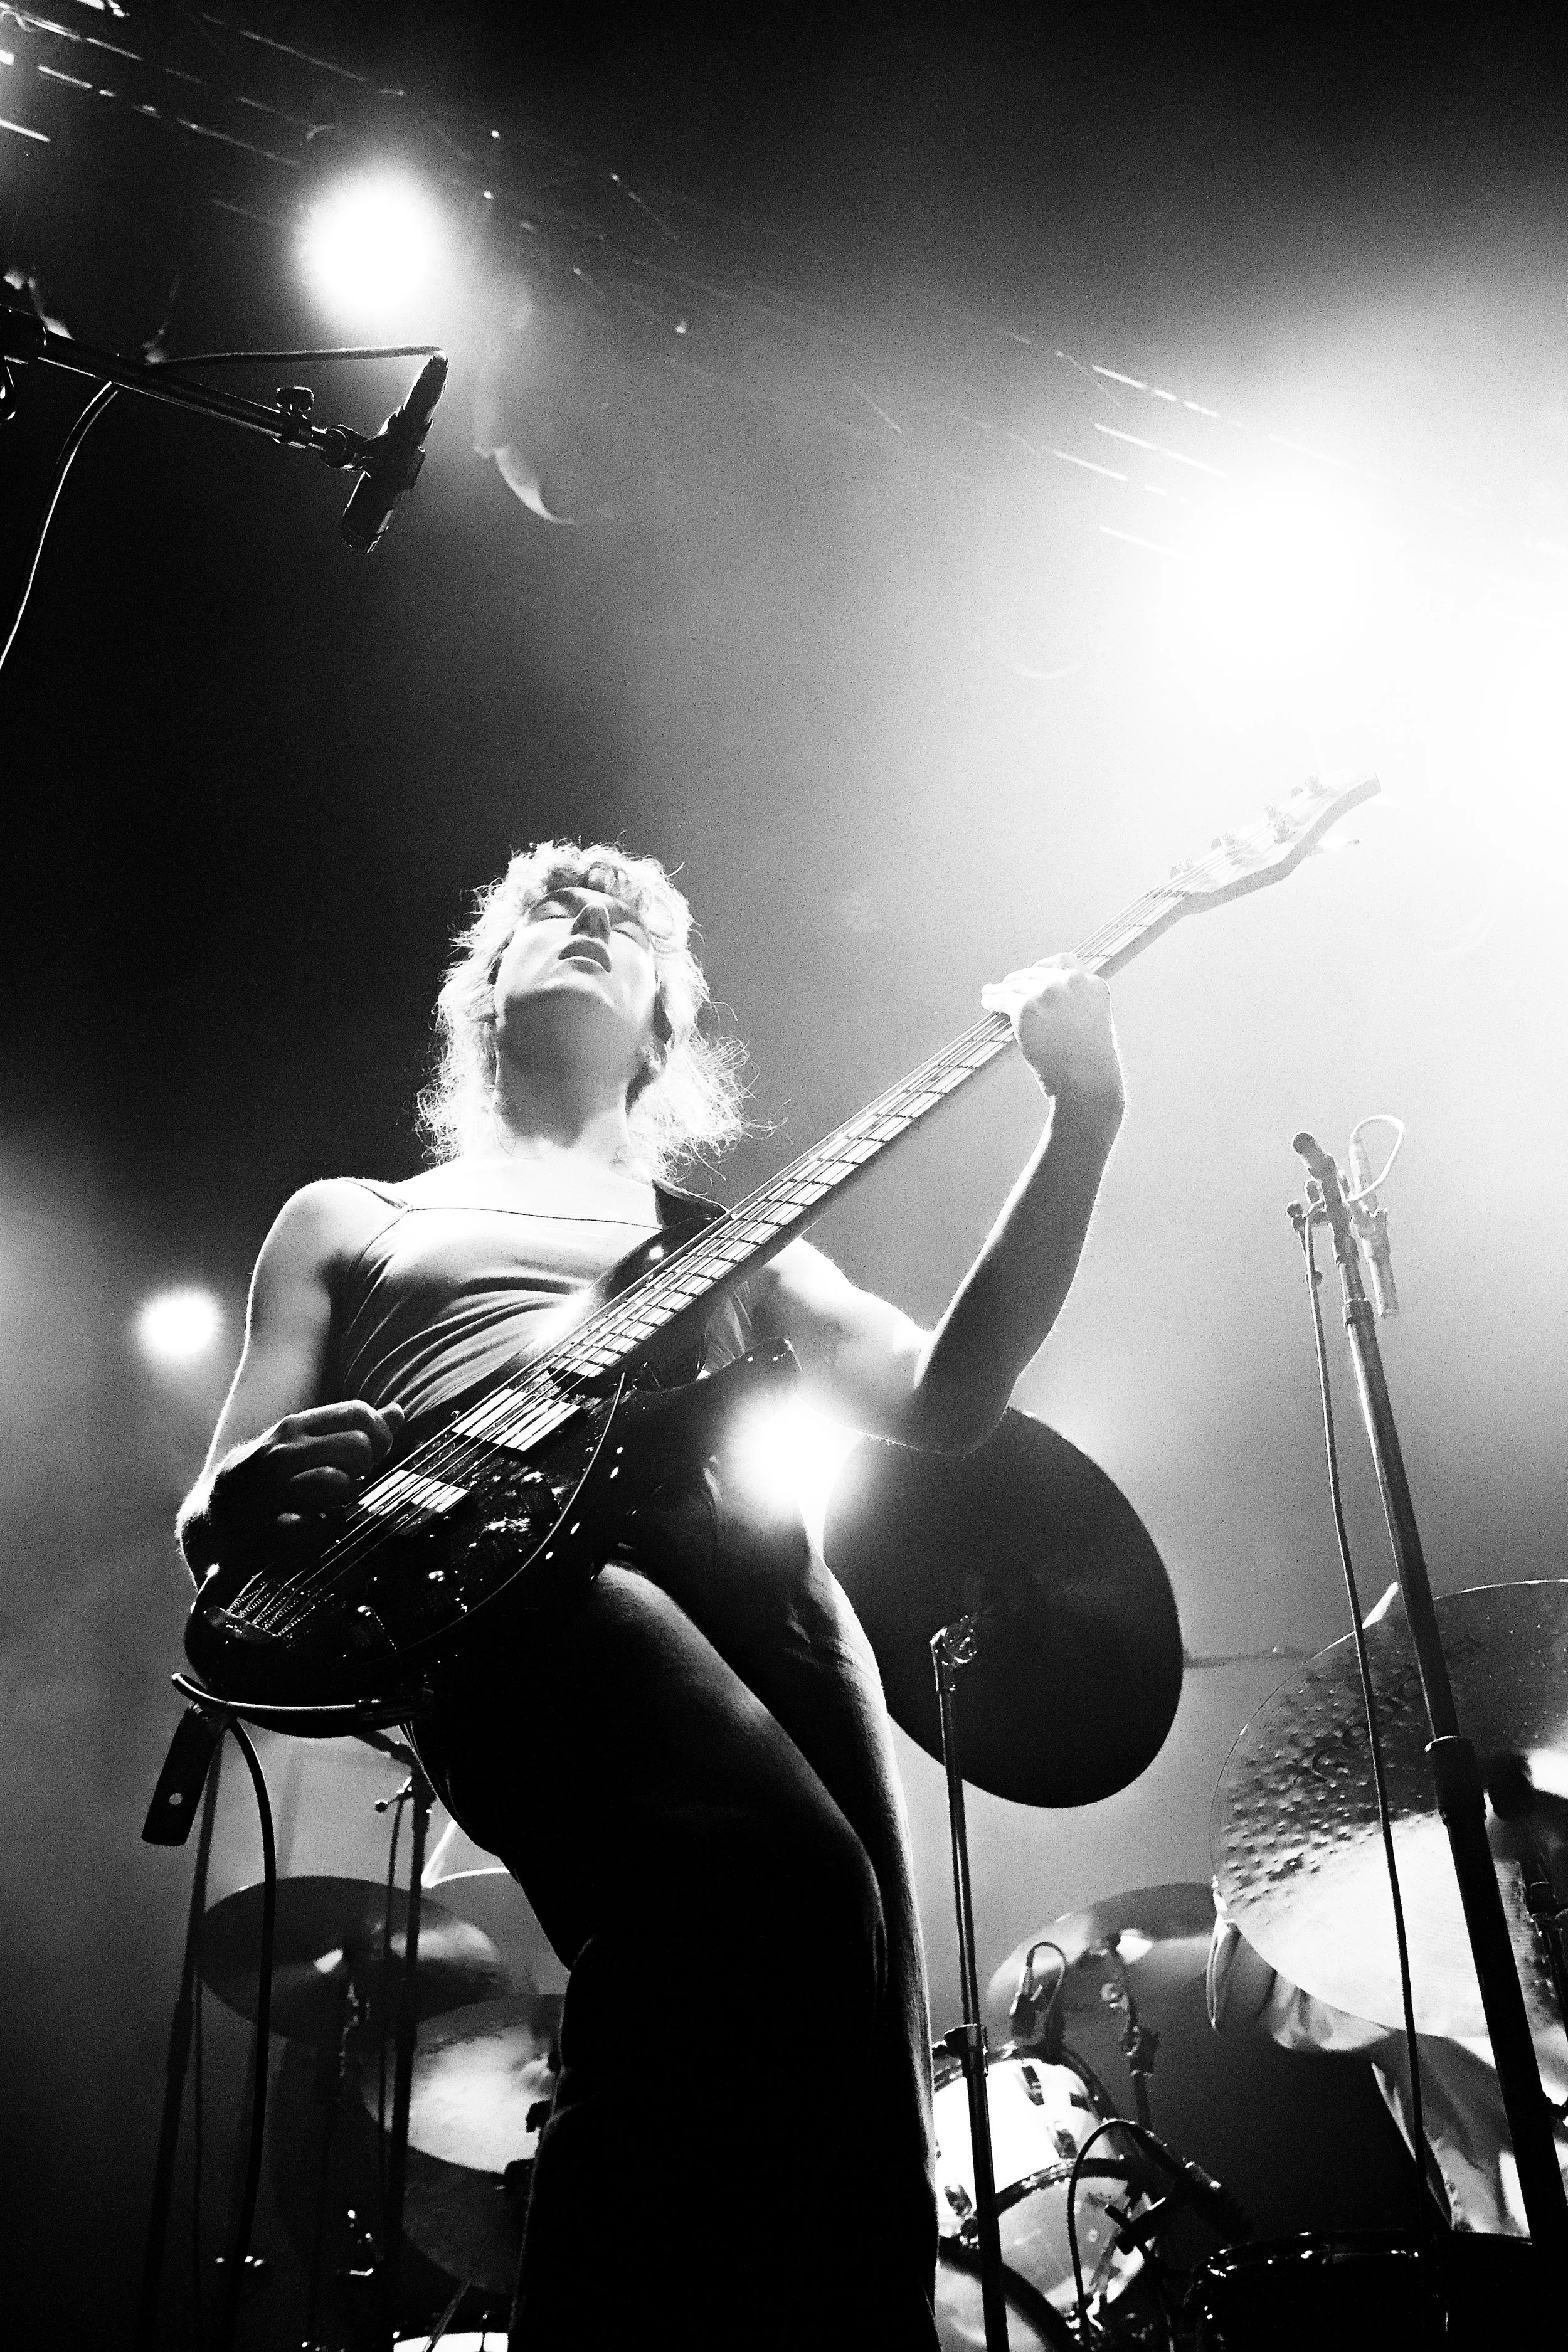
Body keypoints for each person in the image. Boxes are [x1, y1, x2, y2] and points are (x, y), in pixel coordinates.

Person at [177, 840, 1126, 2348]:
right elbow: (222, 1498)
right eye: (548, 910)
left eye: (621, 921)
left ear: (664, 1025)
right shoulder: (352, 1215)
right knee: (779, 1883)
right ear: (480, 990)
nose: (582, 920)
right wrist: (232, 1498)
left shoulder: (726, 1238)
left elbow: (947, 1401)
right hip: (502, 1594)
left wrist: (1081, 1120)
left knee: (857, 2050)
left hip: (773, 1609)